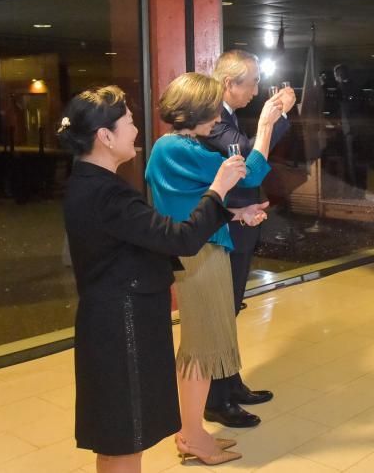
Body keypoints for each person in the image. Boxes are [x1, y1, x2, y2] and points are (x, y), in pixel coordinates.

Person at [60, 86, 247, 472]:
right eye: (128, 122)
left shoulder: (87, 184)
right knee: (125, 438)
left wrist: (231, 214)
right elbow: (180, 239)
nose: (135, 130)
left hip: (109, 320)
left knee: (120, 435)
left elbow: (150, 236)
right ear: (105, 137)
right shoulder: (108, 194)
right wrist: (219, 190)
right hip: (122, 327)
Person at [145, 73, 283, 464]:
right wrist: (267, 124)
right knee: (201, 349)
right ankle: (190, 436)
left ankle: (193, 432)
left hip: (204, 249)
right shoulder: (177, 147)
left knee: (200, 347)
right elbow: (252, 171)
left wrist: (238, 212)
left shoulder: (172, 147)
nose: (216, 120)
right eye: (212, 111)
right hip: (200, 257)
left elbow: (190, 205)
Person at [200, 50, 295, 428]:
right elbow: (251, 160)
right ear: (228, 83)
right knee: (221, 313)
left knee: (232, 307)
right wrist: (275, 118)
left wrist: (278, 118)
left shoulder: (229, 115)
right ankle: (215, 399)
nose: (257, 89)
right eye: (252, 81)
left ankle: (231, 383)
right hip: (223, 227)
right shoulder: (212, 120)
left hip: (241, 221)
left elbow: (255, 145)